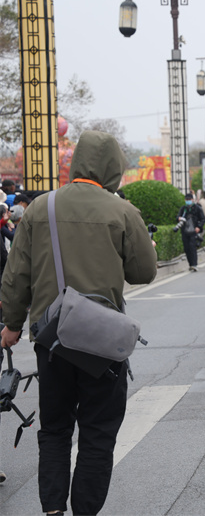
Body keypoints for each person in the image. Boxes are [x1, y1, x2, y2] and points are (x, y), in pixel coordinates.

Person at [0, 130, 157, 515]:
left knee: (53, 430)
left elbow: (16, 275)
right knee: (98, 434)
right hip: (103, 343)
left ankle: (53, 509)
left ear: (76, 163)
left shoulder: (40, 208)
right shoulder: (122, 211)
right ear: (113, 168)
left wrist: (12, 324)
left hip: (51, 340)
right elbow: (144, 273)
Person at [177, 193, 205, 272]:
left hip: (194, 231)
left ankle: (194, 264)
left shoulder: (197, 208)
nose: (188, 201)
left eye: (189, 199)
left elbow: (203, 219)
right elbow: (178, 217)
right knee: (186, 248)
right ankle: (190, 264)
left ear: (192, 200)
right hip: (185, 231)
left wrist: (198, 227)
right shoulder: (183, 209)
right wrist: (179, 218)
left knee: (192, 247)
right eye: (187, 200)